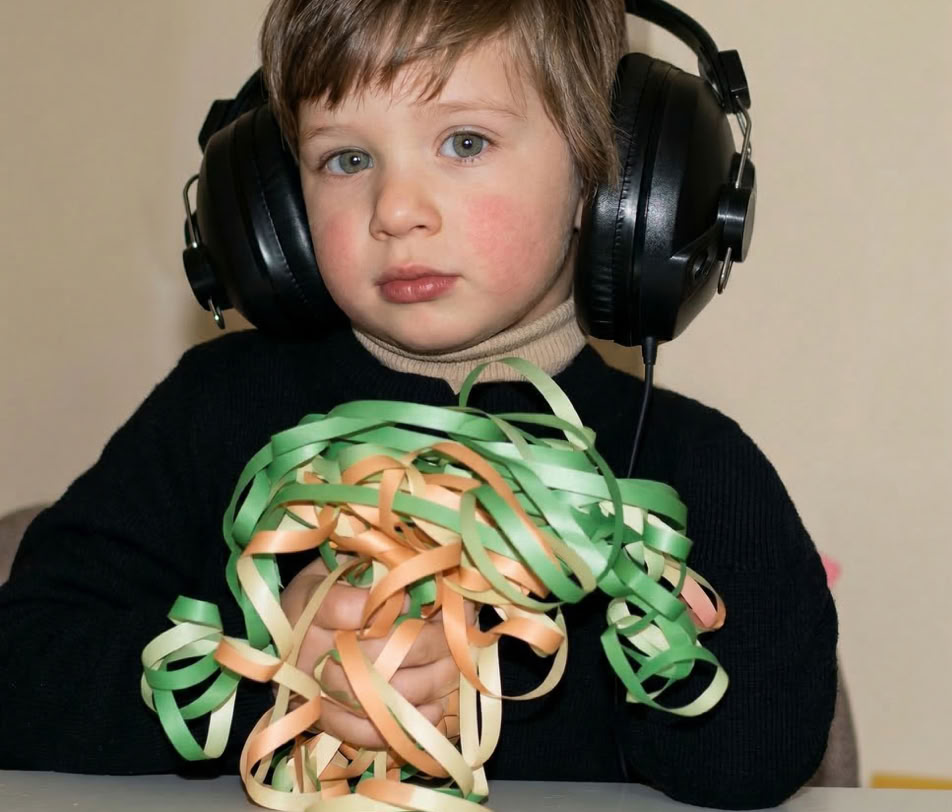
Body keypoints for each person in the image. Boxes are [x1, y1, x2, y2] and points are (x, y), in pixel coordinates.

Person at [0, 0, 838, 808]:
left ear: (607, 177)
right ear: (277, 206)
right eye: (345, 159)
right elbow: (23, 666)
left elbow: (757, 758)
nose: (396, 211)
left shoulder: (692, 466)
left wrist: (596, 655)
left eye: (465, 142)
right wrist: (265, 660)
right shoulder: (213, 409)